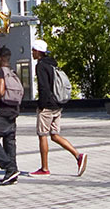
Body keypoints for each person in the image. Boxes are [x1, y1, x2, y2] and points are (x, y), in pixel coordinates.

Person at [31, 46, 87, 177]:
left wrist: (41, 105)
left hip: (47, 106)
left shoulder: (41, 66)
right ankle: (78, 156)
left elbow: (43, 87)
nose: (32, 52)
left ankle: (44, 169)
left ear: (39, 52)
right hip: (58, 104)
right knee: (55, 135)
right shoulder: (53, 64)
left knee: (42, 135)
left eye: (33, 50)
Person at [0, 46, 25, 185]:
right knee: (9, 141)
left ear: (0, 58)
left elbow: (1, 91)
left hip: (3, 111)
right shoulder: (13, 72)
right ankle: (12, 172)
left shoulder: (1, 71)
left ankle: (8, 167)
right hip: (14, 110)